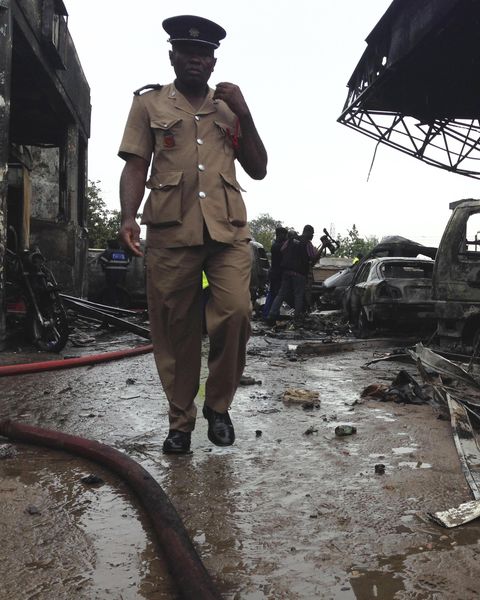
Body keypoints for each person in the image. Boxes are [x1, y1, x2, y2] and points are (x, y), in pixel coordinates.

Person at [117, 15, 268, 454]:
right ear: (173, 56)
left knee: (237, 312)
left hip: (228, 230)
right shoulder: (149, 105)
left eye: (204, 53)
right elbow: (134, 165)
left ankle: (217, 407)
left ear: (214, 60)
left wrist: (245, 112)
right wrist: (128, 216)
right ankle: (181, 422)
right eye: (187, 51)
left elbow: (258, 169)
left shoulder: (228, 109)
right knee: (175, 329)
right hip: (170, 229)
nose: (196, 59)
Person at [264, 225, 319, 325]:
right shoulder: (307, 243)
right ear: (308, 232)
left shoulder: (291, 240)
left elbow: (283, 250)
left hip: (286, 272)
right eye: (312, 233)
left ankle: (271, 315)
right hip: (299, 274)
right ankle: (296, 318)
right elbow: (313, 258)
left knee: (281, 294)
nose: (312, 236)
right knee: (298, 295)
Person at [261, 226, 288, 318]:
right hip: (277, 274)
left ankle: (267, 313)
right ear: (279, 235)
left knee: (272, 293)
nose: (285, 237)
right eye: (284, 235)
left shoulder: (275, 245)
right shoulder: (278, 246)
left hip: (274, 273)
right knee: (274, 294)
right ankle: (269, 314)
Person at [98, 239, 131, 307]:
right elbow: (127, 262)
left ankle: (112, 304)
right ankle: (121, 302)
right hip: (122, 274)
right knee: (120, 289)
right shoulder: (124, 253)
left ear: (109, 245)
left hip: (111, 273)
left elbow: (102, 261)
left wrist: (104, 268)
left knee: (111, 288)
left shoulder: (108, 252)